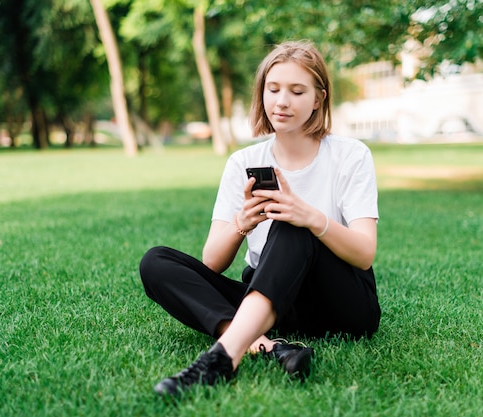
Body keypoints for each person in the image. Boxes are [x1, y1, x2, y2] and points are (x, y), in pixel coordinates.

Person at [139, 40, 381, 397]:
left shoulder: (351, 155)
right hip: (271, 301)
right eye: (274, 89)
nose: (282, 101)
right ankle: (267, 347)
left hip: (341, 302)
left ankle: (222, 358)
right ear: (262, 93)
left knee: (291, 224)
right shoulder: (242, 162)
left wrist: (312, 218)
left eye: (297, 91)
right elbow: (212, 262)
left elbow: (364, 253)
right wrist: (242, 223)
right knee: (156, 262)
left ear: (318, 98)